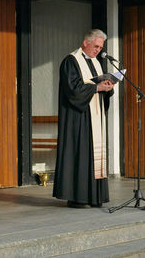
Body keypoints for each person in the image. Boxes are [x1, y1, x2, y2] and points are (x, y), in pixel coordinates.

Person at [53, 29, 115, 208]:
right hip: (78, 118)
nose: (98, 50)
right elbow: (72, 89)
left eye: (100, 47)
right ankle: (78, 198)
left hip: (94, 115)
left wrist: (107, 87)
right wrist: (97, 88)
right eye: (96, 46)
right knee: (80, 155)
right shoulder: (71, 61)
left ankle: (95, 197)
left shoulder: (96, 62)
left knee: (94, 156)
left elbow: (97, 86)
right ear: (85, 43)